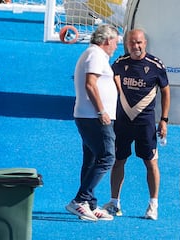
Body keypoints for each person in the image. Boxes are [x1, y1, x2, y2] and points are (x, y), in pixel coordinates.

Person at [103, 29, 170, 220]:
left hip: (146, 124)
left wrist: (164, 120)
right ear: (127, 44)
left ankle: (153, 205)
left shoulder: (156, 65)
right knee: (118, 161)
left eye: (139, 42)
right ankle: (114, 202)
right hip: (123, 122)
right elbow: (107, 81)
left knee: (151, 162)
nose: (136, 46)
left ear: (145, 43)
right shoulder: (119, 64)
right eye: (132, 43)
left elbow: (166, 91)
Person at [65, 24, 120, 221]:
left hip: (89, 116)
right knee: (107, 157)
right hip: (94, 117)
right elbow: (90, 84)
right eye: (115, 42)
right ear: (107, 41)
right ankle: (80, 200)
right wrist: (101, 111)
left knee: (91, 159)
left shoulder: (95, 55)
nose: (116, 47)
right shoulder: (95, 55)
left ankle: (90, 203)